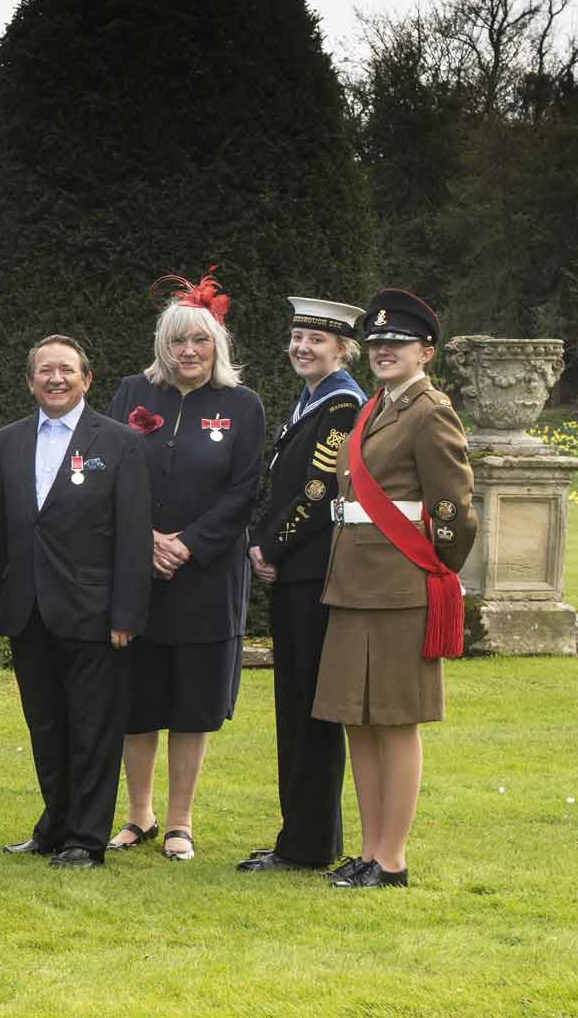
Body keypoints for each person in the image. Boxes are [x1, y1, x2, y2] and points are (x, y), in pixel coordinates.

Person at [314, 288, 476, 889]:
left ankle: (394, 858)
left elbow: (455, 506)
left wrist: (434, 568)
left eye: (396, 343)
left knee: (394, 720)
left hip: (400, 585)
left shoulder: (430, 411)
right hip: (353, 581)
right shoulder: (376, 407)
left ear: (425, 352)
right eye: (377, 343)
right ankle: (369, 849)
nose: (383, 351)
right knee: (358, 719)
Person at [105, 272, 265, 861]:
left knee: (193, 701)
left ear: (217, 345)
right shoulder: (131, 394)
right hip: (139, 571)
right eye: (177, 342)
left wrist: (189, 543)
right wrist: (145, 539)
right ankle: (138, 814)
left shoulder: (242, 405)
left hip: (206, 576)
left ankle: (180, 821)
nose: (188, 352)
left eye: (200, 341)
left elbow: (245, 488)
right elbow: (112, 471)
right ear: (161, 346)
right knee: (138, 696)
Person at [0, 334, 152, 868]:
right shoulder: (9, 440)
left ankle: (86, 837)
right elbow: (6, 533)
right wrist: (1, 604)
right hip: (29, 611)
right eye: (44, 370)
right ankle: (53, 826)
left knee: (93, 729)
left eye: (65, 370)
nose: (54, 379)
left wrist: (127, 612)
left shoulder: (119, 441)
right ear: (30, 380)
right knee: (46, 725)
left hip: (95, 613)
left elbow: (133, 533)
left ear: (87, 379)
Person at [239, 297, 365, 874]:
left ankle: (309, 845)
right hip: (298, 571)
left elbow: (317, 491)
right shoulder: (311, 399)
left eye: (316, 339)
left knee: (310, 711)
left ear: (342, 348)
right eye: (296, 336)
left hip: (313, 572)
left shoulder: (340, 404)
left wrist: (270, 546)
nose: (301, 347)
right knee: (295, 707)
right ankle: (303, 837)